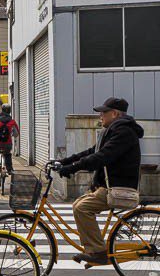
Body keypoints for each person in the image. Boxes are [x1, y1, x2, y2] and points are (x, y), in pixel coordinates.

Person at [58, 97, 143, 266]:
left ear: (115, 113)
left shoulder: (124, 132)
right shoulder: (113, 130)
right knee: (78, 205)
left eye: (103, 112)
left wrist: (73, 168)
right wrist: (66, 161)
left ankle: (97, 251)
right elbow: (92, 151)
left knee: (83, 208)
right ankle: (94, 248)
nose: (100, 116)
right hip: (107, 185)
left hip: (118, 187)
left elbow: (102, 156)